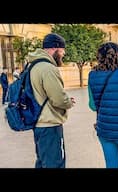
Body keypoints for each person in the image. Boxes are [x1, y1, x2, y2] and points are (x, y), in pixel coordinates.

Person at [28, 33, 75, 168]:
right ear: (55, 48)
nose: (64, 54)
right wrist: (69, 102)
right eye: (62, 50)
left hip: (38, 124)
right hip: (50, 125)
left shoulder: (33, 65)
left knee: (43, 163)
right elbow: (58, 99)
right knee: (55, 164)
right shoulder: (48, 68)